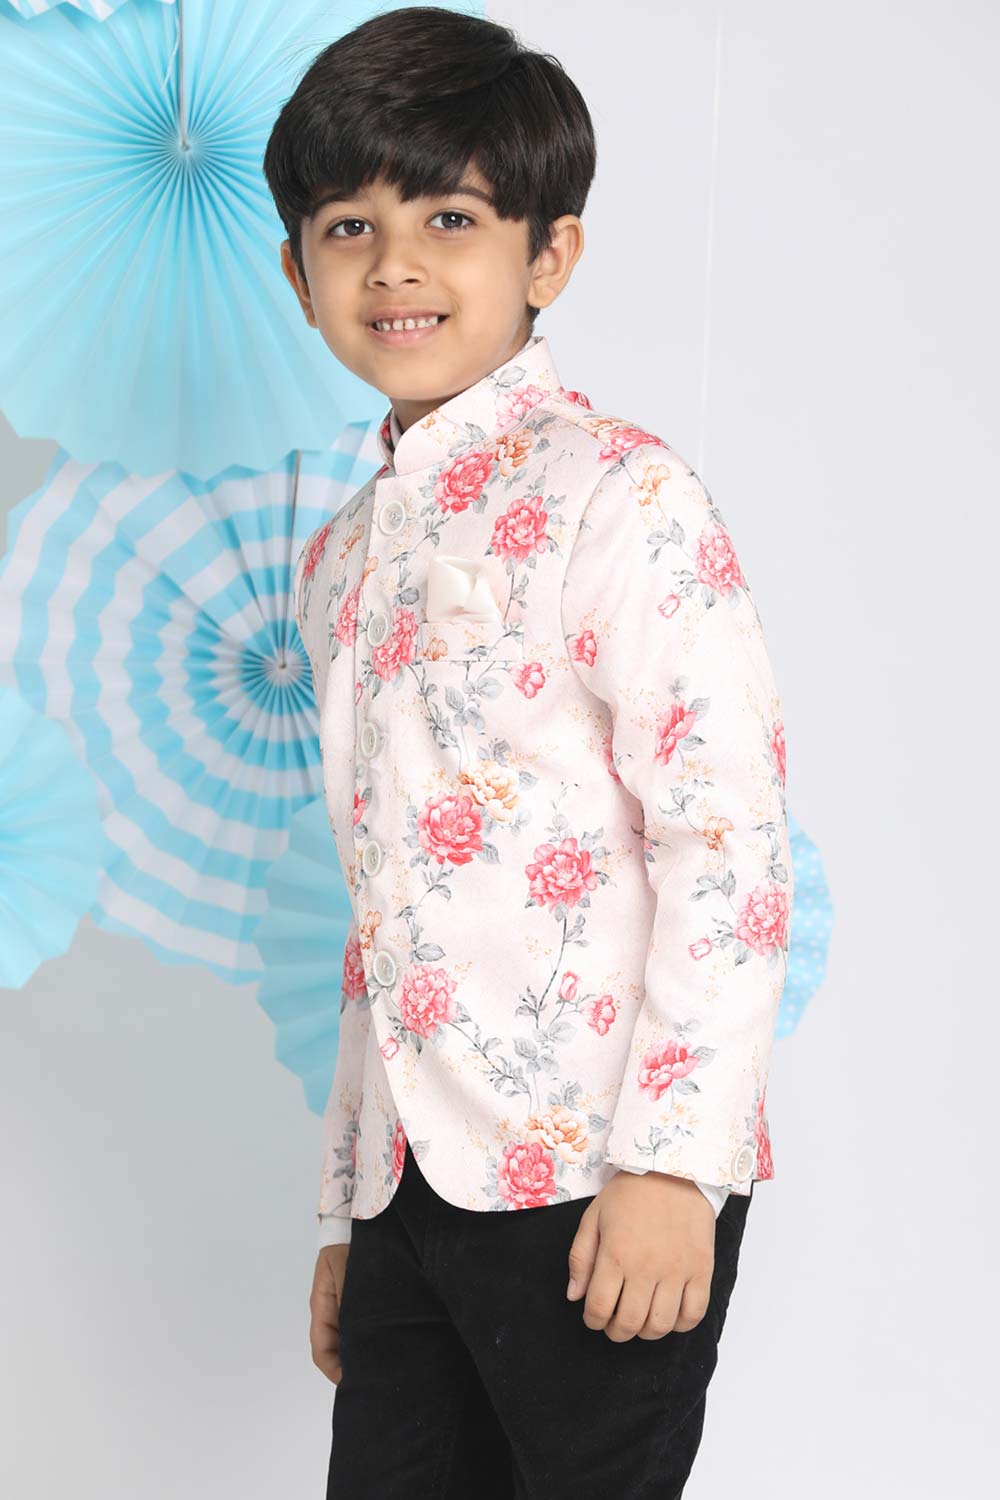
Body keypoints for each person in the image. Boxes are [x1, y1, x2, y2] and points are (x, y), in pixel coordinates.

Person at [263, 7, 793, 1496]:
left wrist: (675, 1165)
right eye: (348, 227)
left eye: (450, 218)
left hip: (595, 1173)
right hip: (412, 1184)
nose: (396, 266)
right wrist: (352, 1210)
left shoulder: (621, 497)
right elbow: (384, 908)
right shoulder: (342, 555)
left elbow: (726, 839)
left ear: (549, 255)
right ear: (299, 276)